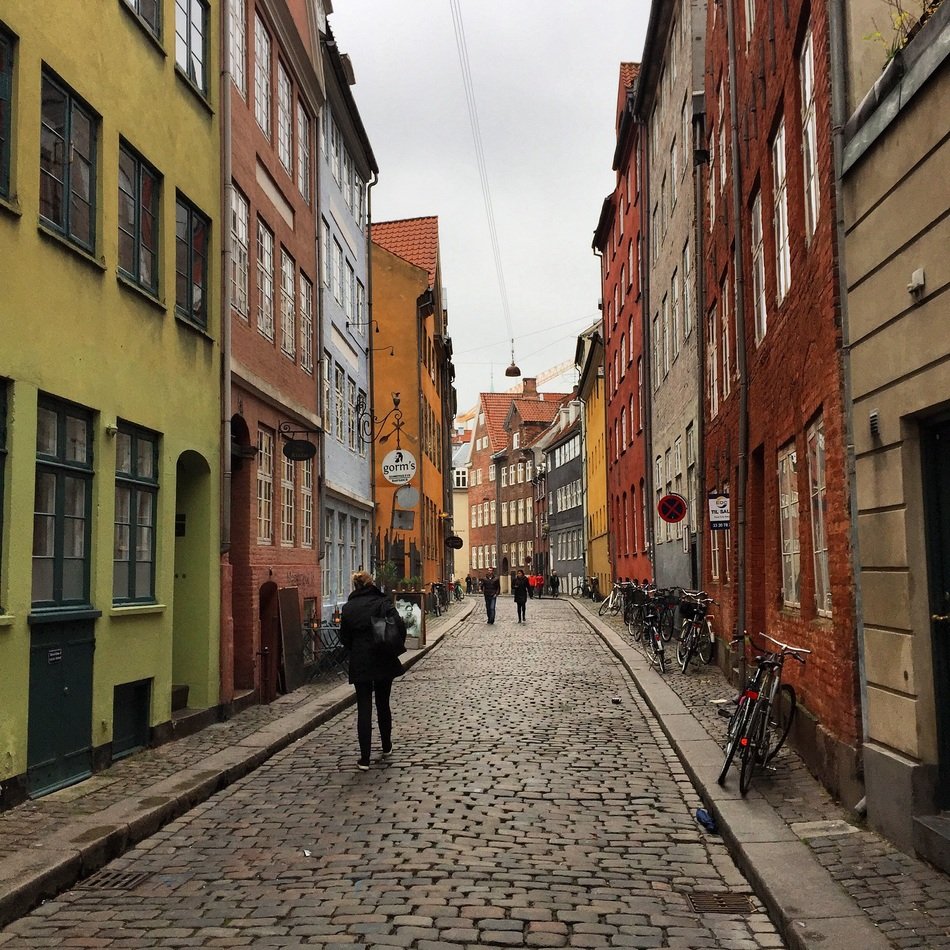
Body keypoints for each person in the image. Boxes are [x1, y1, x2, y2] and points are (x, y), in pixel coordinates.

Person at [339, 570, 407, 771]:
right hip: (383, 657)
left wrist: (356, 648)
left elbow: (344, 638)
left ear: (355, 587)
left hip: (361, 661)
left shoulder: (349, 608)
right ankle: (386, 746)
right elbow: (400, 626)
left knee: (364, 707)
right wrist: (395, 645)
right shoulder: (382, 603)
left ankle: (365, 759)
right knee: (383, 703)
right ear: (371, 584)